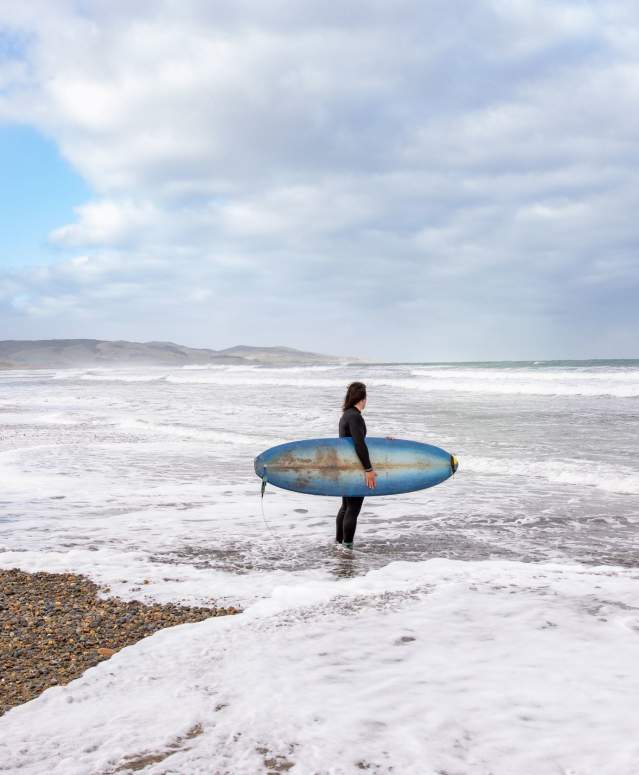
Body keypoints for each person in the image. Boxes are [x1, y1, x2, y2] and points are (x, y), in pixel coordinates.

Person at [335, 381, 377, 550]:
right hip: (355, 469)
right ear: (362, 398)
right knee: (353, 508)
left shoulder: (346, 415)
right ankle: (347, 547)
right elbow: (359, 444)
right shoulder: (355, 417)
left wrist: (386, 444)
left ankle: (339, 544)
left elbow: (354, 442)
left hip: (346, 468)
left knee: (345, 507)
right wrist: (368, 470)